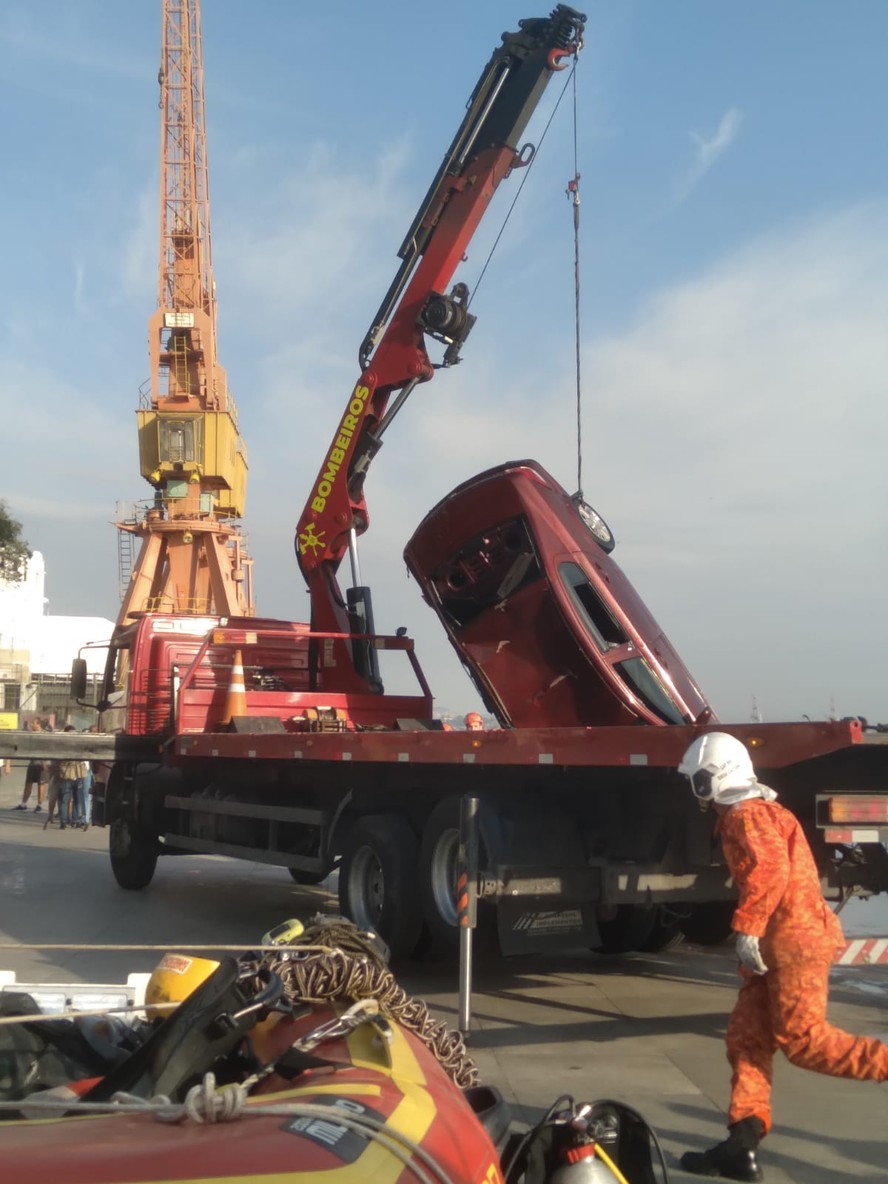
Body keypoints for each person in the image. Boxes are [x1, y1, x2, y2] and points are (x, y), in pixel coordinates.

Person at [677, 731, 888, 1182]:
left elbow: (771, 871)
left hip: (793, 942)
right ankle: (742, 1141)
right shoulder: (757, 811)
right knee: (746, 1038)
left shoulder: (746, 816)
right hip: (778, 945)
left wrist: (748, 927)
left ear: (709, 781)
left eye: (696, 781)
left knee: (805, 1042)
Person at [13, 720, 49, 813]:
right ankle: (23, 804)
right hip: (32, 763)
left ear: (38, 724)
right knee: (28, 783)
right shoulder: (31, 735)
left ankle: (39, 805)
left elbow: (45, 750)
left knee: (41, 784)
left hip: (41, 764)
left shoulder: (44, 735)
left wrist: (44, 763)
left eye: (33, 723)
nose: (31, 724)